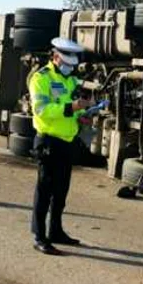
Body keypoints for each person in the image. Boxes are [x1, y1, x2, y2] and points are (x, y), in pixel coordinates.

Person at [29, 37, 94, 255]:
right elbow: (42, 110)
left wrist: (83, 114)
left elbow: (75, 106)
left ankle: (56, 231)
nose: (69, 67)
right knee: (44, 191)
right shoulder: (41, 78)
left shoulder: (71, 81)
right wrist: (71, 107)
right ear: (56, 57)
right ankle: (39, 236)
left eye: (72, 64)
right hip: (48, 141)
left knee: (61, 191)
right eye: (66, 63)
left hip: (67, 142)